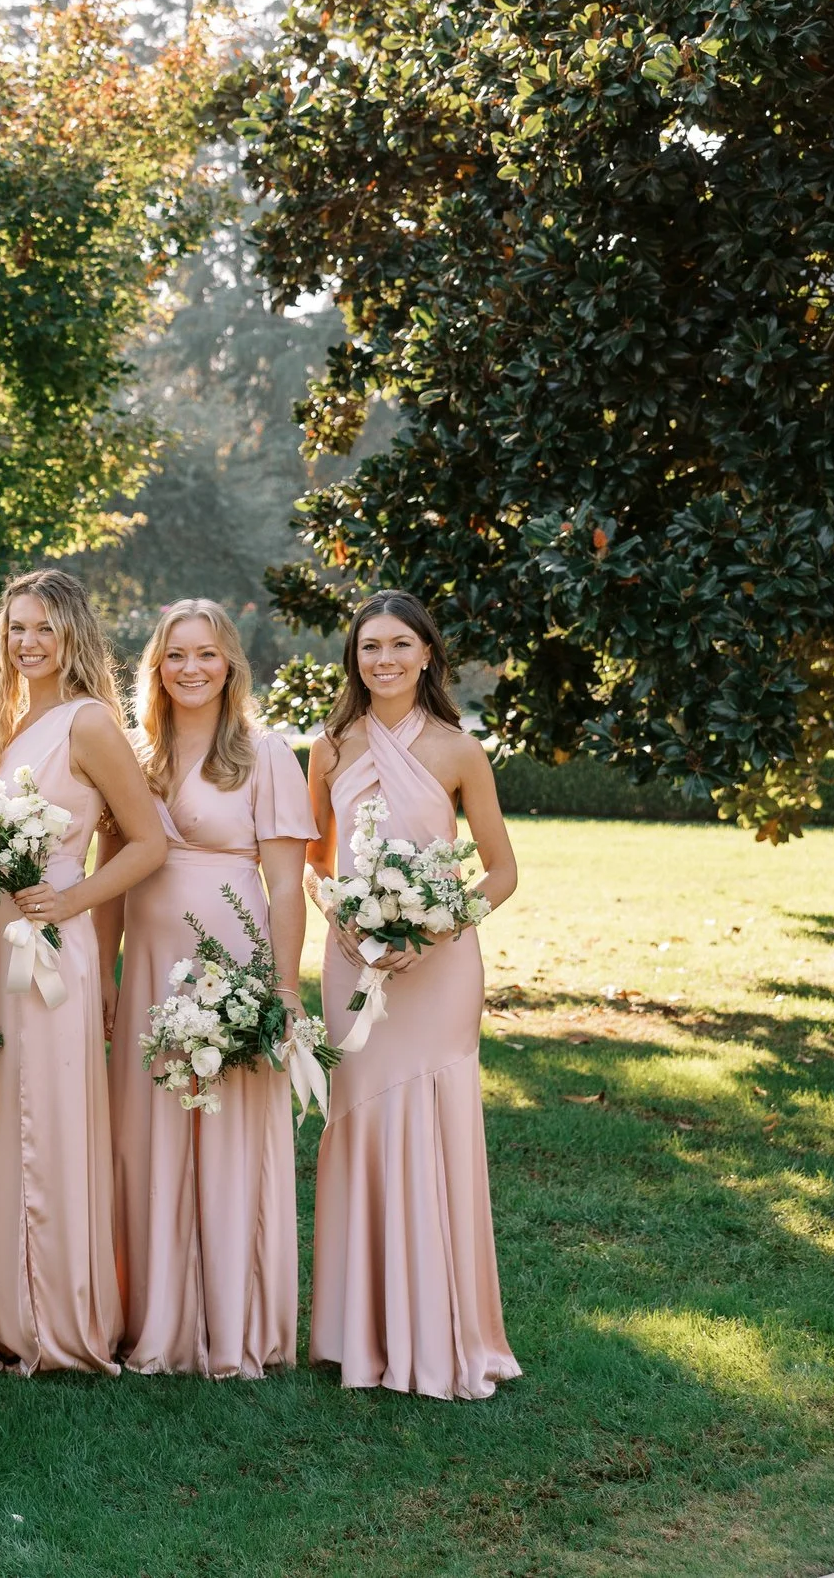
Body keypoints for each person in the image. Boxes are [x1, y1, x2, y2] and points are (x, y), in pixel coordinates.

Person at [307, 589, 521, 1399]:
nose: (384, 660)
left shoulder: (461, 751)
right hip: (351, 961)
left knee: (433, 1123)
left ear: (428, 654)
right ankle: (357, 1331)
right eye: (369, 647)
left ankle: (443, 1328)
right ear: (354, 659)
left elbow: (501, 871)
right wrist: (346, 920)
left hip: (441, 970)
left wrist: (435, 929)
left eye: (400, 645)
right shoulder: (328, 748)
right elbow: (314, 862)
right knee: (359, 1121)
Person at [106, 600, 314, 1378]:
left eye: (206, 654)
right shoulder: (132, 754)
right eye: (174, 655)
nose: (191, 669)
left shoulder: (266, 755)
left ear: (231, 664)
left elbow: (288, 886)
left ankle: (232, 1325)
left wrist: (284, 987)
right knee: (148, 1132)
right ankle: (154, 1319)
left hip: (233, 954)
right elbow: (108, 868)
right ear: (154, 668)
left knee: (227, 1130)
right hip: (148, 961)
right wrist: (104, 972)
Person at [0, 567, 167, 1374]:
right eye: (15, 627)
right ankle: (9, 1311)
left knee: (49, 1122)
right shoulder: (13, 725)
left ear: (73, 633)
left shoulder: (88, 723)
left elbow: (146, 839)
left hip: (54, 948)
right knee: (3, 1119)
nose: (27, 641)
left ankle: (60, 1322)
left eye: (43, 627)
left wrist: (74, 899)